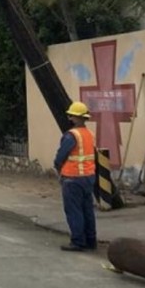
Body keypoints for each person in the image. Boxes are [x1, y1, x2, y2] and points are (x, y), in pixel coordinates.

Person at [54, 101, 97, 252]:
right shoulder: (89, 135)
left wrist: (59, 171)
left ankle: (78, 241)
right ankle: (91, 241)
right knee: (87, 210)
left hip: (72, 178)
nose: (70, 118)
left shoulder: (71, 136)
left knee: (74, 210)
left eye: (71, 116)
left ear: (74, 117)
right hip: (88, 177)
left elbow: (60, 157)